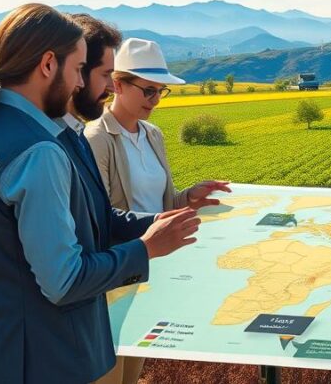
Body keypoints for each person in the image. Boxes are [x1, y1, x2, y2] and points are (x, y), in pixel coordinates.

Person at [0, 4, 202, 383]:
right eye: (79, 69)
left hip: (1, 351)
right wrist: (145, 249)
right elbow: (63, 282)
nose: (82, 84)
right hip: (50, 358)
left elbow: (81, 222)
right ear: (48, 64)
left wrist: (154, 224)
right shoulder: (40, 151)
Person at [85, 37, 230, 384]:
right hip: (118, 271)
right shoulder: (97, 139)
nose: (154, 100)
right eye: (148, 91)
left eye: (160, 92)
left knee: (133, 368)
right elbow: (99, 217)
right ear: (118, 84)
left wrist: (188, 198)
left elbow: (159, 204)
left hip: (154, 266)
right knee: (110, 370)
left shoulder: (153, 134)